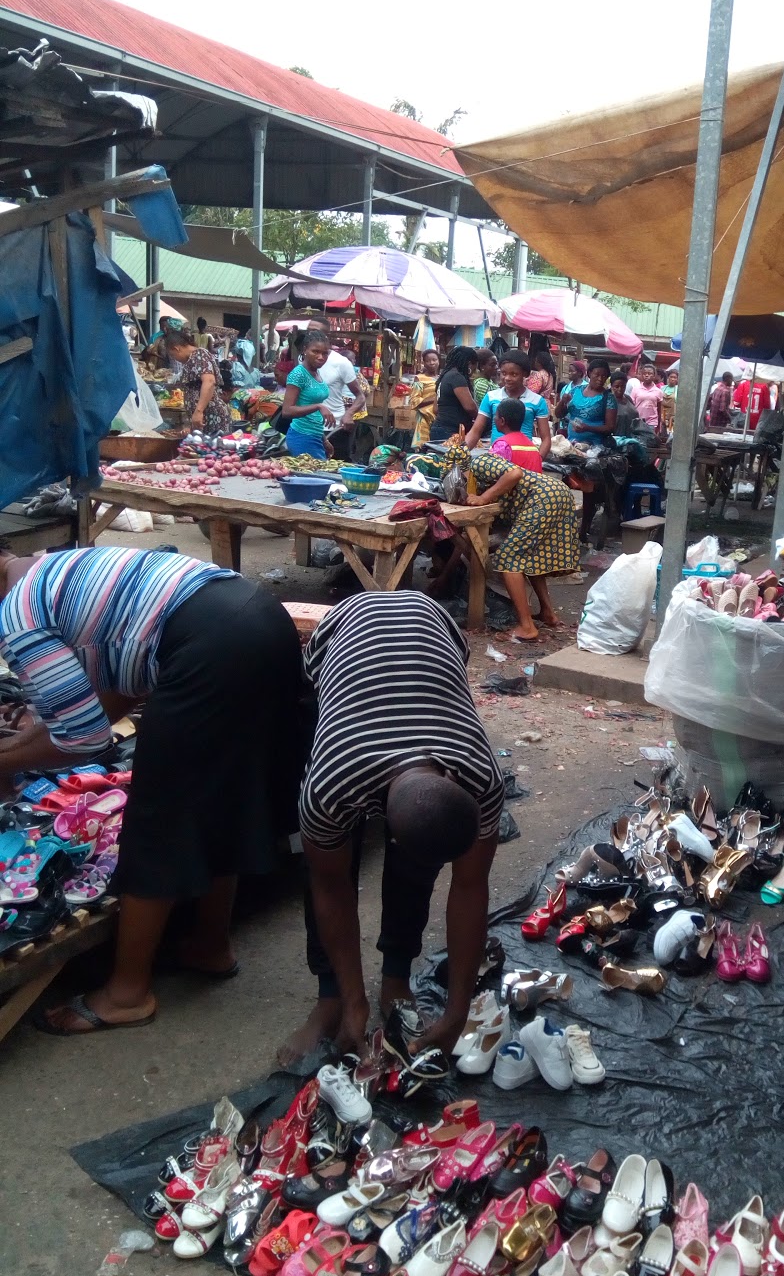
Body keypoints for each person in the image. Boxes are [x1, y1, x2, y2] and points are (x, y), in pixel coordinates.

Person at [0, 546, 305, 1034]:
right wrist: (22, 748)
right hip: (261, 621)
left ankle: (126, 995)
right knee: (222, 793)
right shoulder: (53, 569)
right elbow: (120, 690)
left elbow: (86, 739)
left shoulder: (19, 616)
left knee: (158, 817)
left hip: (213, 648)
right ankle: (210, 945)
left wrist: (9, 760)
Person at [282, 590, 504, 1063]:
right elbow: (330, 885)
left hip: (431, 618)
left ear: (454, 782)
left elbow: (471, 887)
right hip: (343, 630)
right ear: (391, 836)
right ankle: (333, 998)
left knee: (418, 862)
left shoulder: (480, 774)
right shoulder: (330, 784)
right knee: (325, 862)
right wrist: (351, 998)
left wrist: (457, 1012)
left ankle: (395, 981)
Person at [446, 430, 580, 642]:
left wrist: (484, 498)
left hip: (543, 497)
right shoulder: (478, 480)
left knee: (509, 558)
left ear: (461, 470)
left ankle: (527, 627)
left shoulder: (481, 462)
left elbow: (515, 474)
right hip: (555, 495)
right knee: (532, 558)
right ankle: (548, 613)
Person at [466, 352, 552, 457]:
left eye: (514, 374)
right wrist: (461, 453)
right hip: (496, 459)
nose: (507, 378)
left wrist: (536, 460)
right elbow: (475, 431)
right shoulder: (491, 397)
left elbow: (546, 439)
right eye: (503, 373)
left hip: (523, 459)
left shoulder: (537, 401)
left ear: (525, 374)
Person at [281, 328, 336, 458]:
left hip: (316, 435)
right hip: (302, 436)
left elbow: (312, 414)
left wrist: (324, 440)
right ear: (305, 350)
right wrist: (318, 406)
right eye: (315, 351)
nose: (321, 357)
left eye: (325, 353)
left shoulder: (316, 372)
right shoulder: (299, 374)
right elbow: (287, 411)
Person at [177, 326, 233, 434]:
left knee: (214, 444)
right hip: (206, 417)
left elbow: (209, 382)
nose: (175, 359)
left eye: (173, 355)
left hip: (213, 416)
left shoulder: (199, 354)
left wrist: (199, 411)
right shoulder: (193, 358)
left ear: (177, 349)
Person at [319, 344, 366, 460]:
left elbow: (361, 394)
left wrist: (349, 413)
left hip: (338, 423)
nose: (320, 357)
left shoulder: (343, 365)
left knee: (339, 457)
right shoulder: (304, 369)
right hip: (314, 427)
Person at [558, 357, 617, 443]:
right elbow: (559, 414)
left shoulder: (608, 398)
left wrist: (588, 428)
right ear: (589, 373)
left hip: (595, 447)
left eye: (604, 376)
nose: (600, 379)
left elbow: (610, 427)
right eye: (597, 375)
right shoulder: (575, 391)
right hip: (572, 443)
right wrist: (562, 402)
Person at [429, 349, 477, 443]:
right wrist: (482, 420)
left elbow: (435, 409)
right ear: (469, 364)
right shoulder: (456, 377)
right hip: (451, 431)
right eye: (474, 369)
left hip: (439, 429)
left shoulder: (444, 377)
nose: (472, 373)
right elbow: (470, 407)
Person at [491, 397, 544, 472]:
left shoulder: (502, 445)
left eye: (496, 416)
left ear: (502, 421)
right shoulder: (534, 448)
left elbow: (491, 472)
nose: (494, 419)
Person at [626, 359, 663, 430]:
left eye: (649, 373)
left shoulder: (658, 391)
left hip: (652, 423)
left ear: (654, 375)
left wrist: (659, 425)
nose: (646, 375)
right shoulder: (636, 389)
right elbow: (631, 407)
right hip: (638, 421)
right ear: (641, 375)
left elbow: (659, 409)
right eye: (644, 373)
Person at [609, 369, 642, 436]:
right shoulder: (608, 401)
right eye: (617, 386)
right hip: (616, 438)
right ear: (611, 386)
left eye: (623, 386)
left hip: (632, 437)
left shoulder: (628, 398)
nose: (620, 389)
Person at [661, 364, 679, 431]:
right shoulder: (662, 388)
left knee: (671, 433)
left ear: (677, 379)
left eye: (675, 377)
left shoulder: (678, 389)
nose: (673, 379)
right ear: (668, 377)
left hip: (673, 418)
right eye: (671, 377)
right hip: (662, 417)